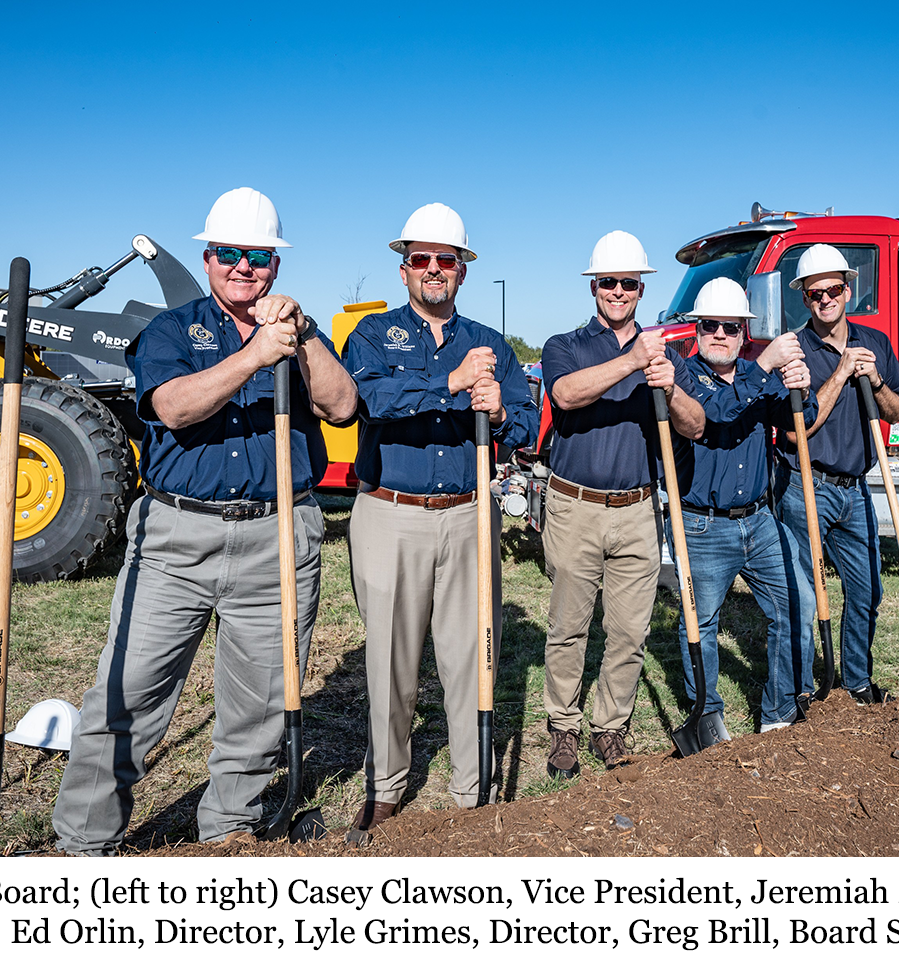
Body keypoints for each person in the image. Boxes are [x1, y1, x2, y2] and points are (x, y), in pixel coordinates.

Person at [52, 187, 357, 854]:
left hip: (277, 536)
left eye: (258, 256)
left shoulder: (301, 335)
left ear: (276, 264)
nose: (244, 267)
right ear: (208, 258)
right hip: (176, 539)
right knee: (128, 693)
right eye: (228, 253)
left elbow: (341, 407)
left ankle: (229, 833)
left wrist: (301, 337)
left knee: (260, 704)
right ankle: (82, 845)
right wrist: (255, 356)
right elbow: (174, 408)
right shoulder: (172, 330)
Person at [341, 202, 537, 840]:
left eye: (445, 260)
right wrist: (451, 382)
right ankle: (386, 785)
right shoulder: (373, 335)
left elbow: (529, 426)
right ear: (403, 269)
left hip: (469, 513)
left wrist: (501, 412)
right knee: (389, 659)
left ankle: (471, 788)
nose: (433, 269)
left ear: (462, 270)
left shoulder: (490, 344)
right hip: (391, 512)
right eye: (420, 258)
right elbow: (368, 399)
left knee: (471, 655)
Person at [539, 230, 704, 777]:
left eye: (627, 283)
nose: (617, 291)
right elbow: (564, 395)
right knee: (569, 626)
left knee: (630, 631)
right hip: (575, 506)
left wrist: (671, 387)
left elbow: (695, 426)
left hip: (638, 509)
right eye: (608, 281)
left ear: (640, 288)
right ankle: (563, 726)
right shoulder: (565, 345)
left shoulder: (667, 356)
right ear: (594, 287)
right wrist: (632, 361)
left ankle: (610, 727)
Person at [669, 278, 818, 733]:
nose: (719, 334)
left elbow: (798, 421)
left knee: (798, 604)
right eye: (710, 325)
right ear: (697, 329)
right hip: (702, 526)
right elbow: (715, 414)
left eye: (730, 327)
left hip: (759, 521)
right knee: (700, 621)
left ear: (743, 332)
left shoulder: (757, 376)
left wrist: (802, 389)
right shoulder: (684, 377)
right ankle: (707, 714)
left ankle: (780, 712)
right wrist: (766, 365)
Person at [773, 244, 899, 705]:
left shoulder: (876, 343)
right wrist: (841, 373)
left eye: (833, 289)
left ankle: (856, 681)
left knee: (867, 590)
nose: (826, 299)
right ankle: (798, 689)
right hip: (805, 486)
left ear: (848, 290)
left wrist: (875, 380)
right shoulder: (795, 351)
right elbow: (796, 431)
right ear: (804, 299)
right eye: (816, 294)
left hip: (855, 490)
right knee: (801, 595)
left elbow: (895, 411)